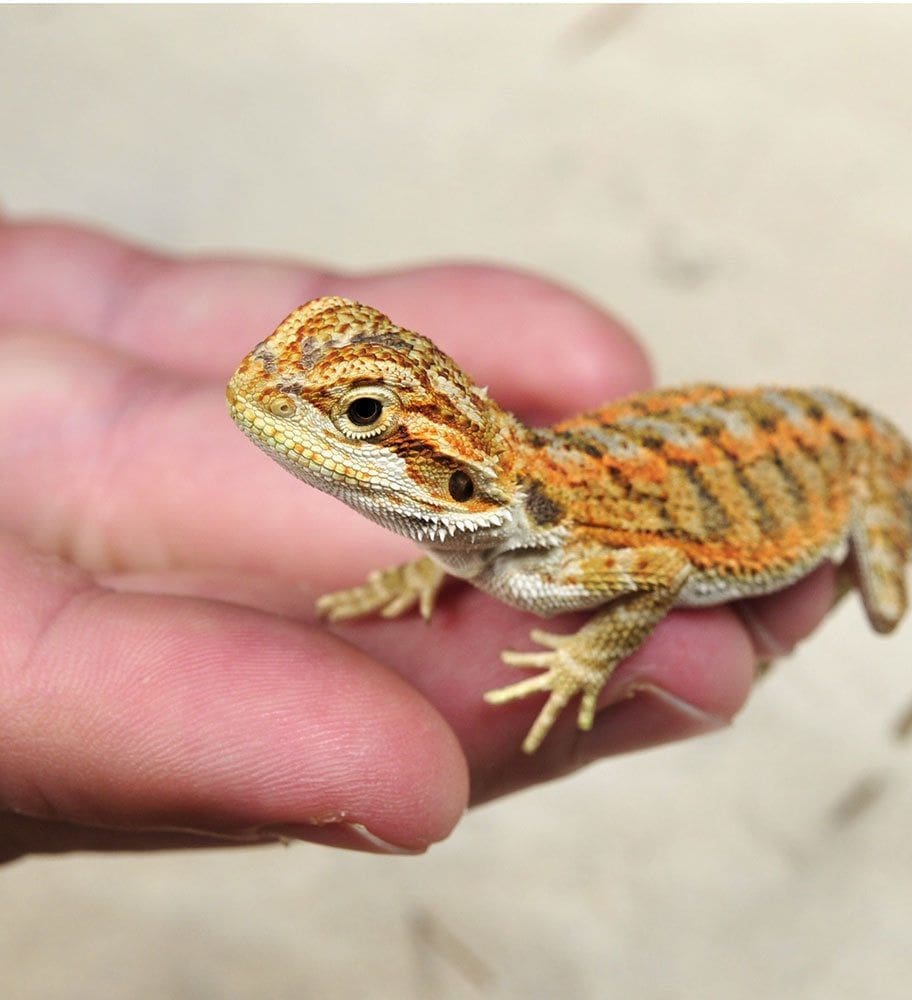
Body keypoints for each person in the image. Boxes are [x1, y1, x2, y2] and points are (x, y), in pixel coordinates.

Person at [0, 218, 838, 862]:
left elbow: (655, 566)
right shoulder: (472, 531)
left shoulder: (553, 561)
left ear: (458, 484)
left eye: (362, 416)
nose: (263, 386)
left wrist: (587, 658)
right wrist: (429, 570)